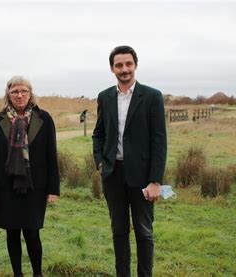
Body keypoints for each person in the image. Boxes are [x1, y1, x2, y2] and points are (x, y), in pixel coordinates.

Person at [92, 45, 167, 276]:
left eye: (128, 64)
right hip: (113, 175)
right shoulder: (105, 97)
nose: (124, 69)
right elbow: (98, 133)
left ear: (135, 65)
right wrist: (101, 162)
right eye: (119, 65)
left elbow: (159, 141)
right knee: (119, 231)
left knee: (144, 232)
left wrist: (155, 181)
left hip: (142, 177)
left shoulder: (152, 97)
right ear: (112, 68)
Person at [0, 76, 60, 276]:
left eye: (24, 91)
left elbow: (52, 155)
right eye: (15, 91)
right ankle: (17, 273)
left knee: (32, 232)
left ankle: (37, 273)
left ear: (30, 93)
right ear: (8, 94)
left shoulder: (44, 118)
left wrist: (53, 189)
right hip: (5, 186)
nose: (19, 95)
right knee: (12, 233)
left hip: (35, 185)